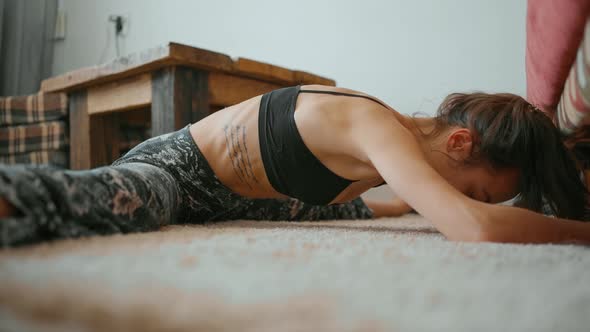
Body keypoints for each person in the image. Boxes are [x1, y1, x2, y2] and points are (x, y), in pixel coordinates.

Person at [0, 85, 589, 247]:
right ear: (460, 144)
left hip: (253, 201)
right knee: (122, 203)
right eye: (481, 190)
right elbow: (472, 228)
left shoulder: (395, 155)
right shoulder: (374, 127)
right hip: (178, 172)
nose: (475, 202)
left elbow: (420, 207)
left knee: (362, 214)